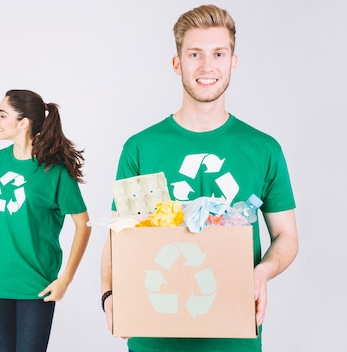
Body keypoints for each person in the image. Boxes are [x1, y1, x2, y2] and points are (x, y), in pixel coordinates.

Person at [100, 4, 299, 352]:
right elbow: (121, 234)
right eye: (195, 54)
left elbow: (286, 235)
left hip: (234, 336)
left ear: (233, 62)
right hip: (155, 334)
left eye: (218, 54)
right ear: (177, 63)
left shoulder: (263, 149)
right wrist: (109, 294)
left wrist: (262, 272)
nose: (207, 67)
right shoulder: (142, 148)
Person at [0, 89, 92, 352]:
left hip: (35, 284)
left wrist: (65, 279)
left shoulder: (54, 170)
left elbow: (83, 225)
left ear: (23, 122)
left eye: (2, 114)